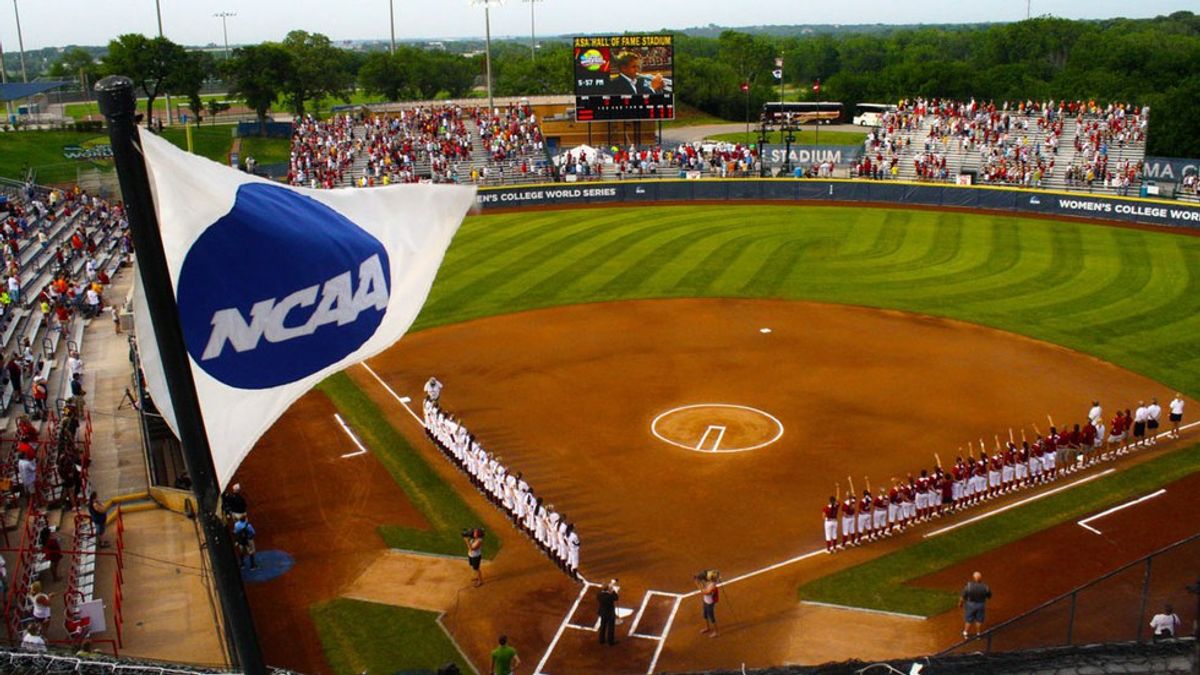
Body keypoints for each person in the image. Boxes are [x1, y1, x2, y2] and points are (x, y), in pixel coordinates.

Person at [958, 571, 992, 638]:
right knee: (979, 620)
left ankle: (965, 632)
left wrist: (960, 603)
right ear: (981, 578)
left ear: (973, 578)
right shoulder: (985, 587)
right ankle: (978, 634)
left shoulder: (969, 586)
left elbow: (962, 596)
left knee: (969, 619)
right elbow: (989, 596)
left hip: (970, 605)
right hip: (980, 605)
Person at [597, 579, 619, 646]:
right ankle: (610, 642)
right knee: (610, 627)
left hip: (603, 613)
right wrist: (612, 591)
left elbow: (605, 593)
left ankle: (601, 640)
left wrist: (609, 589)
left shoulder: (599, 595)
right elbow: (616, 597)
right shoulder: (610, 596)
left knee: (603, 626)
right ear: (607, 589)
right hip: (610, 613)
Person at [697, 570, 719, 637]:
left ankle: (716, 632)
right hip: (705, 601)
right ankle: (707, 627)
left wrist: (697, 585)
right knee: (705, 615)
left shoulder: (712, 586)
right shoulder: (709, 583)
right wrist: (699, 580)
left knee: (711, 617)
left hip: (710, 603)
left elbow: (706, 592)